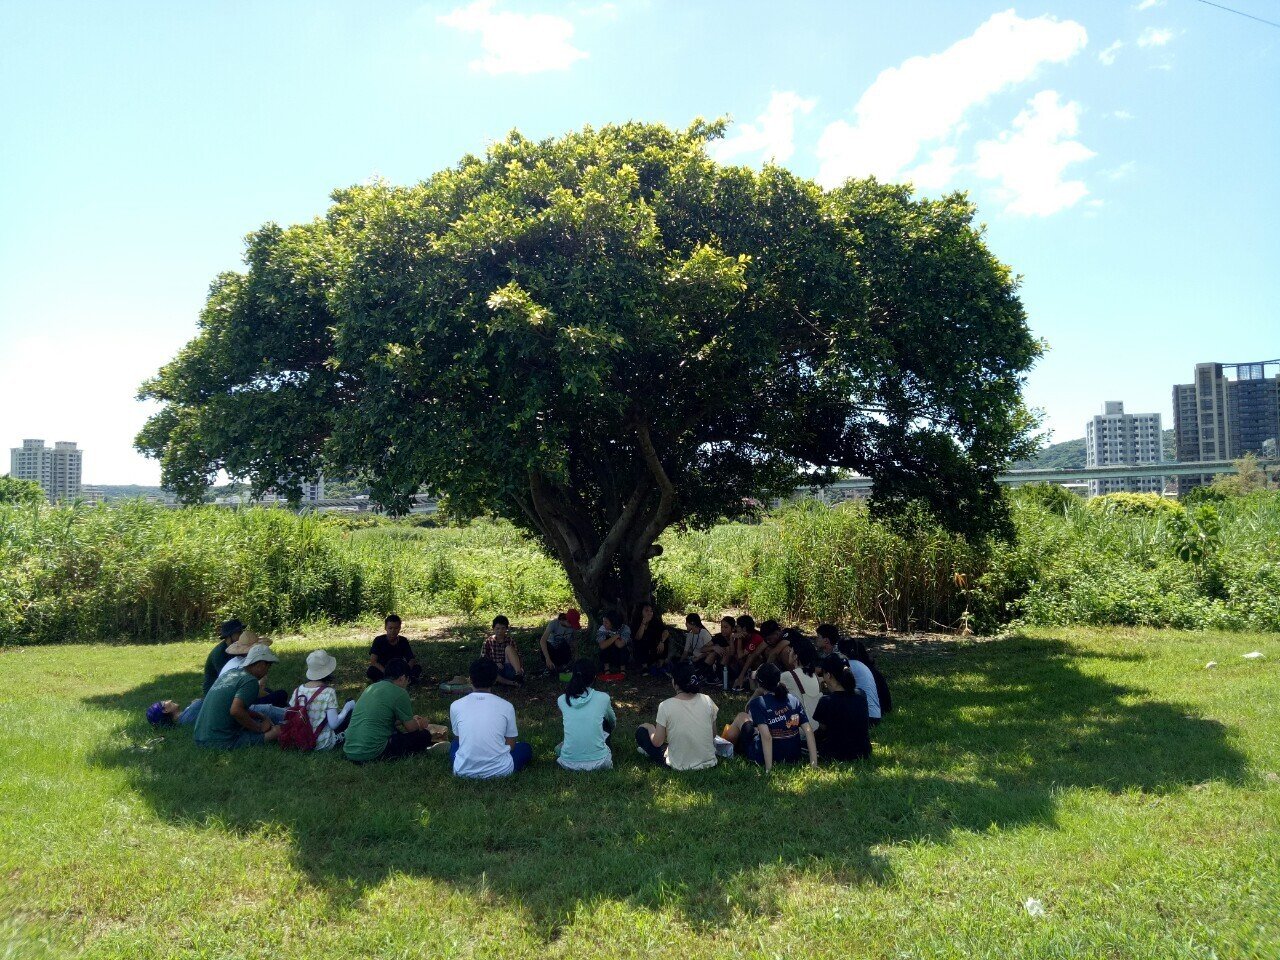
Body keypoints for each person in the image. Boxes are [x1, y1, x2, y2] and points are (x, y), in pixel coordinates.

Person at [344, 658, 444, 763]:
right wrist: (420, 723)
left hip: (350, 750)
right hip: (372, 753)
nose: (407, 684)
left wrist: (404, 720)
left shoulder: (371, 688)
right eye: (408, 680)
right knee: (424, 736)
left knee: (398, 733)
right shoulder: (400, 692)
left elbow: (381, 718)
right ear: (402, 678)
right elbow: (412, 729)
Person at [722, 663, 818, 771]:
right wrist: (814, 764)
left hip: (763, 755)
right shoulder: (793, 699)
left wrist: (769, 769)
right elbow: (808, 731)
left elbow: (766, 736)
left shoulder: (758, 703)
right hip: (793, 755)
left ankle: (723, 747)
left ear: (759, 683)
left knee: (741, 716)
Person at [449, 659, 532, 778]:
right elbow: (511, 745)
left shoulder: (455, 705)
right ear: (494, 680)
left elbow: (459, 738)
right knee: (525, 748)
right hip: (501, 770)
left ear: (470, 679)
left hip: (463, 769)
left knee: (454, 745)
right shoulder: (506, 706)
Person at [193, 643, 284, 749]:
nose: (267, 671)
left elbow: (231, 708)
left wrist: (260, 716)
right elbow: (236, 711)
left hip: (200, 738)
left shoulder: (230, 674)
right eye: (269, 666)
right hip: (219, 741)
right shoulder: (250, 681)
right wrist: (259, 728)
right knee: (277, 731)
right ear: (261, 664)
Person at [635, 662, 719, 770]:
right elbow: (713, 734)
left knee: (641, 732)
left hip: (680, 765)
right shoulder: (707, 700)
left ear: (675, 682)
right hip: (709, 762)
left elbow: (657, 742)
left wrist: (650, 728)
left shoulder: (665, 706)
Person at [287, 650, 355, 751]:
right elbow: (334, 724)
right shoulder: (328, 692)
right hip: (323, 743)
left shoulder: (298, 691)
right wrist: (347, 708)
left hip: (299, 740)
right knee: (349, 713)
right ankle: (343, 736)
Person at [555, 659, 616, 771]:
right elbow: (612, 722)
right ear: (594, 677)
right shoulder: (603, 698)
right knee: (605, 722)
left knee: (558, 748)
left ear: (572, 676)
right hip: (600, 762)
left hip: (568, 762)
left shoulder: (562, 700)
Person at [815, 624, 883, 724]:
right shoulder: (852, 662)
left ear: (826, 640)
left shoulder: (840, 659)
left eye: (818, 637)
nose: (816, 639)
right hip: (872, 713)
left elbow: (826, 675)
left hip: (867, 716)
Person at [812, 655, 872, 761]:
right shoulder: (861, 695)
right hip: (863, 751)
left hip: (837, 753)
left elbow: (822, 730)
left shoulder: (826, 701)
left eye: (823, 674)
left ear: (828, 675)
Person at [218, 630, 288, 707]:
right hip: (236, 703)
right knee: (281, 695)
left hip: (233, 699)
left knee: (271, 693)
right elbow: (253, 690)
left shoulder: (235, 661)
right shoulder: (243, 667)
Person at [778, 633, 823, 730]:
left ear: (796, 656)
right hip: (816, 727)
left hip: (800, 728)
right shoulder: (815, 676)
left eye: (791, 650)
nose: (789, 652)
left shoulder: (787, 676)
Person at [732, 619, 791, 691]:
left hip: (801, 666)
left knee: (785, 651)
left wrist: (764, 675)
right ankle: (777, 679)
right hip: (782, 666)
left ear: (777, 633)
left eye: (769, 639)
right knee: (767, 650)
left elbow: (774, 653)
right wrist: (741, 676)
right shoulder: (769, 640)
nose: (768, 641)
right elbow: (754, 655)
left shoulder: (788, 634)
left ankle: (793, 679)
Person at [367, 614, 423, 685]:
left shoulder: (403, 641)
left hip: (398, 668)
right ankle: (399, 681)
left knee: (417, 668)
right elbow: (373, 661)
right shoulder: (379, 640)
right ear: (385, 628)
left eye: (396, 628)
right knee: (371, 671)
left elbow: (411, 659)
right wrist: (386, 672)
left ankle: (397, 680)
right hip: (384, 668)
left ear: (399, 628)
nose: (393, 631)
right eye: (390, 628)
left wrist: (405, 671)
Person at [202, 618, 244, 695]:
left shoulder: (238, 648)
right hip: (215, 691)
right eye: (239, 632)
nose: (242, 635)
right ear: (229, 636)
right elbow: (227, 679)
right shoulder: (219, 654)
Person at [481, 615, 524, 686]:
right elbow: (483, 659)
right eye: (497, 628)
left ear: (506, 629)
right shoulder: (488, 641)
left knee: (509, 648)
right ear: (493, 629)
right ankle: (512, 683)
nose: (500, 631)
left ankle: (518, 675)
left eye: (503, 628)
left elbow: (518, 656)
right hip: (495, 670)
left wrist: (520, 668)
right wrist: (495, 664)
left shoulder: (510, 640)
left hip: (509, 668)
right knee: (487, 670)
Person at [693, 615, 737, 683]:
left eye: (726, 627)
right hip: (721, 665)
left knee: (727, 649)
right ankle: (702, 674)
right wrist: (714, 647)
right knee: (713, 652)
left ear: (733, 629)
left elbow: (732, 653)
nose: (723, 629)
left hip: (734, 666)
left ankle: (719, 676)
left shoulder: (737, 637)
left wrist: (731, 640)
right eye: (721, 627)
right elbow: (702, 649)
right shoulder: (719, 637)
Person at [631, 602, 671, 675]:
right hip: (642, 652)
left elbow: (665, 631)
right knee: (640, 641)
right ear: (641, 612)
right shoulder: (636, 622)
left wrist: (662, 642)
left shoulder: (655, 621)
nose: (649, 613)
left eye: (651, 611)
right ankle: (644, 667)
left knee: (665, 639)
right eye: (646, 611)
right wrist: (643, 623)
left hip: (654, 649)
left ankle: (660, 663)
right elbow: (638, 637)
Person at [539, 609, 582, 675]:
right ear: (567, 621)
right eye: (572, 624)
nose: (573, 626)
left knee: (564, 644)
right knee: (548, 646)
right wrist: (547, 658)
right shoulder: (554, 624)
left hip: (561, 650)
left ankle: (561, 666)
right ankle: (550, 665)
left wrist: (576, 656)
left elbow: (574, 641)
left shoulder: (572, 627)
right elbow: (542, 641)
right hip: (551, 650)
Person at [595, 610, 631, 679]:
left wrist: (613, 636)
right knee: (605, 646)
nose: (604, 624)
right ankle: (607, 670)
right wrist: (615, 636)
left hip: (620, 655)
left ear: (613, 623)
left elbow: (620, 645)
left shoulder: (625, 629)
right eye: (603, 621)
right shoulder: (602, 629)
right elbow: (602, 646)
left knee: (623, 649)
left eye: (606, 622)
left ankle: (623, 670)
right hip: (609, 654)